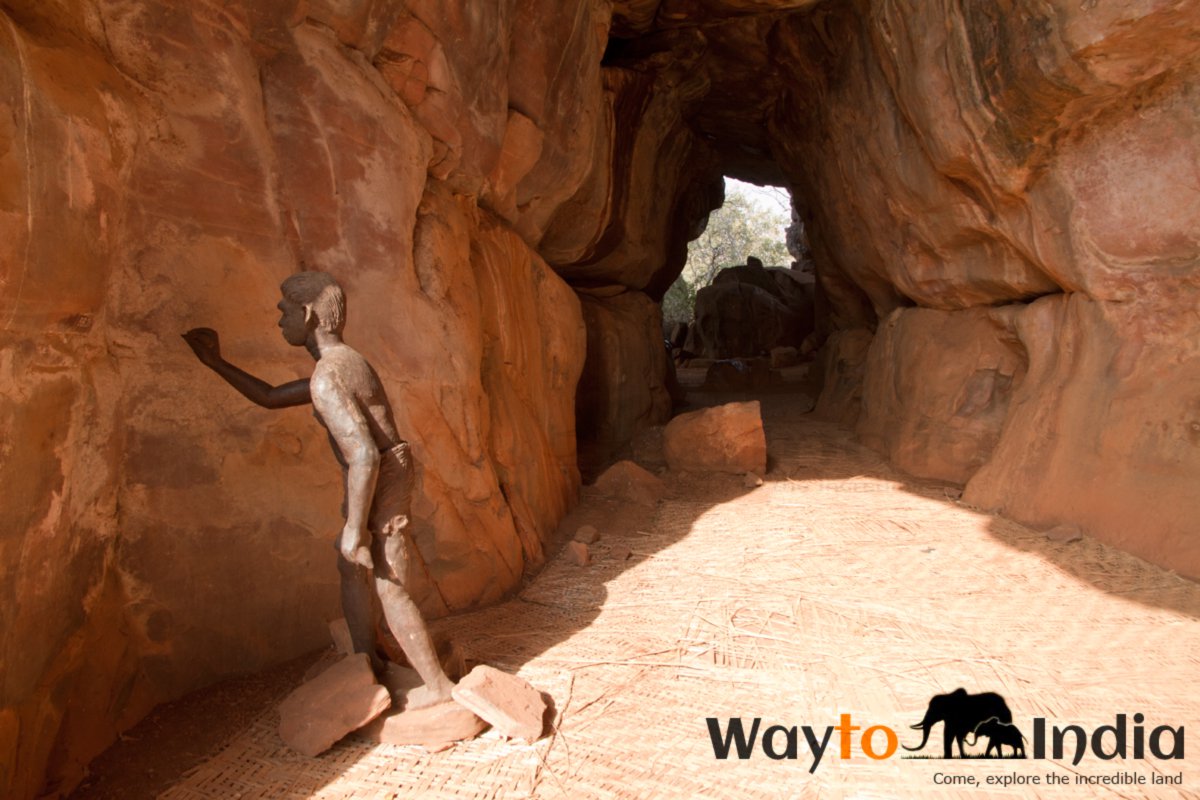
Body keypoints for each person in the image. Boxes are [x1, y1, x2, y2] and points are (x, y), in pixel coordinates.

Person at [182, 271, 454, 704]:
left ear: (308, 315)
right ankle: (368, 667)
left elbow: (364, 454)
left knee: (386, 580)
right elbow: (271, 396)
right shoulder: (340, 363)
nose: (279, 321)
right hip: (381, 473)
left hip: (380, 476)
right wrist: (216, 363)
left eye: (284, 312)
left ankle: (439, 687)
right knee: (353, 570)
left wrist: (354, 530)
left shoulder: (329, 376)